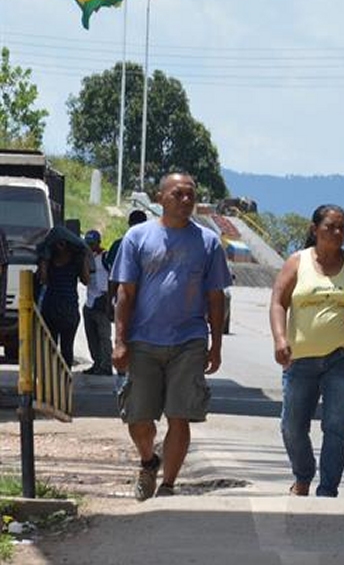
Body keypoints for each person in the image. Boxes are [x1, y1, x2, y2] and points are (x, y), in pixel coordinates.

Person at [111, 173, 231, 501]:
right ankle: (149, 461)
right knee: (139, 418)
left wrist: (215, 345)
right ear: (160, 197)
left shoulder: (208, 243)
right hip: (143, 341)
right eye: (178, 194)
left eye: (191, 194)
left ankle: (167, 485)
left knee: (180, 414)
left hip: (189, 340)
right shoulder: (137, 237)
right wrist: (120, 341)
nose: (186, 200)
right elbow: (125, 292)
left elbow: (216, 298)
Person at [269, 204, 344, 497]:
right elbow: (277, 302)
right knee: (292, 426)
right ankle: (303, 474)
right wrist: (280, 339)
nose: (337, 232)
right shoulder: (297, 262)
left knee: (336, 425)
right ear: (314, 229)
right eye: (331, 226)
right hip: (301, 358)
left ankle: (327, 490)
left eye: (343, 228)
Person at [37, 227, 90, 368]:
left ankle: (65, 383)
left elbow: (86, 280)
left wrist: (84, 258)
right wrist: (45, 259)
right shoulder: (49, 261)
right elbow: (42, 279)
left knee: (66, 349)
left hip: (68, 310)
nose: (60, 246)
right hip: (52, 308)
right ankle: (53, 382)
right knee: (51, 349)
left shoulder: (76, 261)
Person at [82, 230, 114, 376]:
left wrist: (109, 303)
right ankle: (96, 363)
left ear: (98, 243)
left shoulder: (105, 257)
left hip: (102, 301)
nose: (89, 247)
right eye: (87, 244)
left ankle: (106, 366)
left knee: (104, 336)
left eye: (92, 244)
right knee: (92, 337)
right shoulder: (87, 258)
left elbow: (111, 280)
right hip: (89, 302)